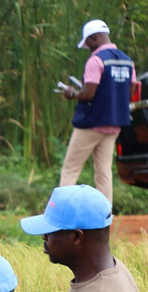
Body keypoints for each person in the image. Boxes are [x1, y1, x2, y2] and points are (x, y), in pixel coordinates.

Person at [59, 19, 137, 204]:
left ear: (93, 37)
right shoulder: (128, 61)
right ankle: (105, 218)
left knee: (70, 169)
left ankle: (60, 214)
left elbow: (87, 94)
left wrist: (72, 93)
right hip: (114, 124)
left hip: (91, 125)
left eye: (88, 44)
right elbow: (130, 92)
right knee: (103, 173)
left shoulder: (96, 60)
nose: (88, 48)